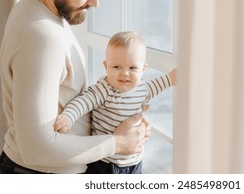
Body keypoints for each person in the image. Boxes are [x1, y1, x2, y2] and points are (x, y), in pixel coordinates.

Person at [0, 0, 150, 174]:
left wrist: (118, 119)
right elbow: (36, 147)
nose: (95, 3)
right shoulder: (41, 35)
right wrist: (119, 143)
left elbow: (61, 97)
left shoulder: (35, 9)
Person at [53, 31, 177, 174]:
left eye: (132, 68)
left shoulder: (142, 89)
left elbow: (157, 84)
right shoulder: (104, 89)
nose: (124, 73)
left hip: (135, 161)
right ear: (106, 66)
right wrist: (68, 117)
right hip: (105, 162)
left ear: (143, 69)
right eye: (116, 67)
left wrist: (170, 79)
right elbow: (83, 101)